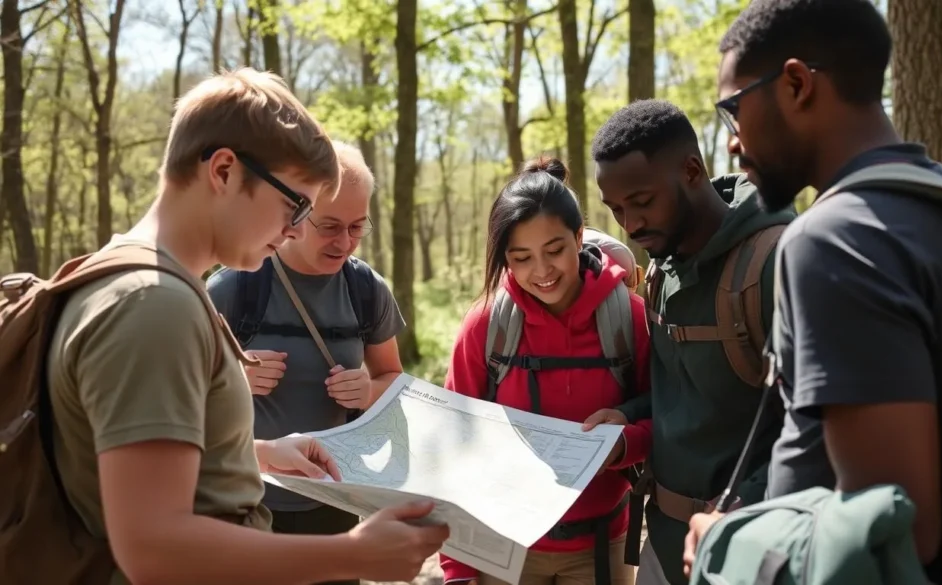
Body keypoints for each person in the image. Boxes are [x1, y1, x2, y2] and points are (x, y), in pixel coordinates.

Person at [44, 68, 448, 585]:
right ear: (225, 171)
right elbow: (152, 547)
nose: (295, 229)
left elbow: (151, 471)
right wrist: (353, 555)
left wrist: (256, 454)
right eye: (294, 203)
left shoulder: (133, 275)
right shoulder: (155, 305)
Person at [683, 1, 942, 583]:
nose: (730, 143)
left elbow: (892, 530)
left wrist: (727, 540)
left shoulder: (837, 240)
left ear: (797, 83)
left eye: (734, 110)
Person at [585, 99, 795, 585]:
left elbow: (819, 425)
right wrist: (627, 417)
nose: (630, 224)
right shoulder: (661, 271)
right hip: (661, 541)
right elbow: (677, 392)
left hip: (752, 549)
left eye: (642, 201)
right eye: (617, 209)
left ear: (692, 169)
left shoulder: (776, 263)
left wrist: (746, 510)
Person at [440, 157, 653, 585]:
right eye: (521, 258)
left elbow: (669, 413)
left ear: (579, 237)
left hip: (601, 546)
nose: (541, 271)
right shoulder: (486, 325)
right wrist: (458, 571)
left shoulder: (628, 317)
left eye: (555, 250)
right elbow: (453, 443)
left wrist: (625, 443)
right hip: (504, 546)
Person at [206, 141, 404, 584]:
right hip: (245, 504)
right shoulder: (234, 286)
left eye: (357, 227)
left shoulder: (367, 290)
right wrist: (234, 376)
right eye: (330, 226)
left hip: (334, 503)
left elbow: (394, 378)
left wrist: (369, 389)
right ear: (297, 213)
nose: (345, 243)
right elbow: (184, 399)